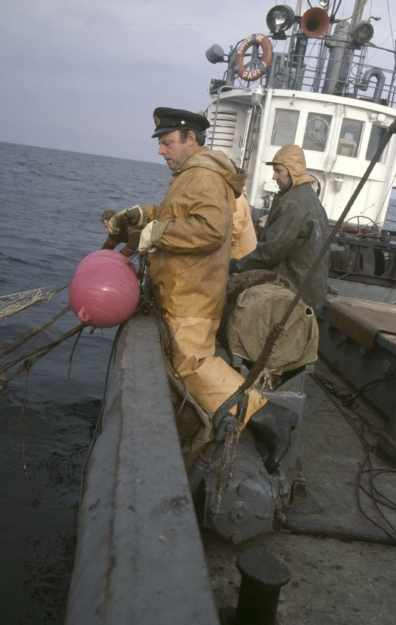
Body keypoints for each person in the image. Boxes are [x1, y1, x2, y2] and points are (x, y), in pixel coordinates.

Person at [108, 107, 296, 473]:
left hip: (190, 295)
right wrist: (143, 215)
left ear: (189, 139)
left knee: (191, 367)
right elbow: (177, 214)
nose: (161, 150)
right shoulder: (193, 174)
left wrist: (155, 234)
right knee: (188, 365)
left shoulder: (203, 177)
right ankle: (261, 416)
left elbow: (211, 230)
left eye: (166, 143)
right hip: (184, 292)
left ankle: (272, 418)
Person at [230, 144, 330, 310]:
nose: (274, 177)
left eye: (279, 171)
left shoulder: (293, 203)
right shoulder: (310, 198)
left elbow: (270, 252)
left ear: (293, 171)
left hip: (294, 294)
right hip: (311, 293)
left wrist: (236, 266)